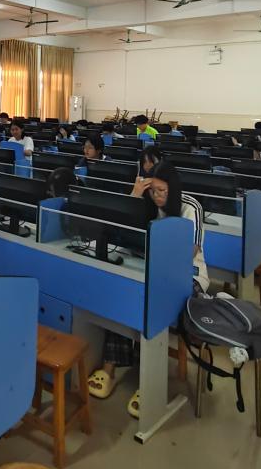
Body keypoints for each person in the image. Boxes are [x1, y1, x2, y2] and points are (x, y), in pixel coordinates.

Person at [88, 161, 207, 409]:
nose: (158, 196)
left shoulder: (190, 207)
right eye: (153, 191)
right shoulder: (148, 203)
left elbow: (191, 250)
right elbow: (120, 231)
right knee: (122, 291)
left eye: (163, 191)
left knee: (150, 301)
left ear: (174, 189)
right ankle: (109, 368)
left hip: (187, 275)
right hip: (147, 268)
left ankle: (150, 384)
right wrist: (134, 197)